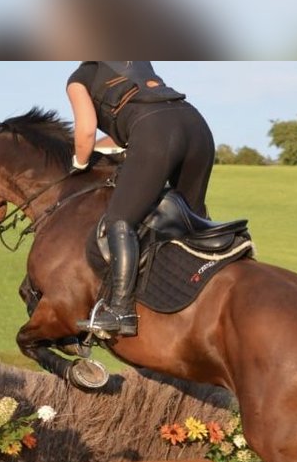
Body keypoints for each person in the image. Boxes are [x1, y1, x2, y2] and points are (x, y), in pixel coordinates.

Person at [66, 61, 215, 338]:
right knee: (191, 218)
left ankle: (120, 310)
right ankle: (203, 296)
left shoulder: (80, 77)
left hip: (156, 131)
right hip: (196, 125)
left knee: (120, 219)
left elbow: (86, 131)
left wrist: (79, 162)